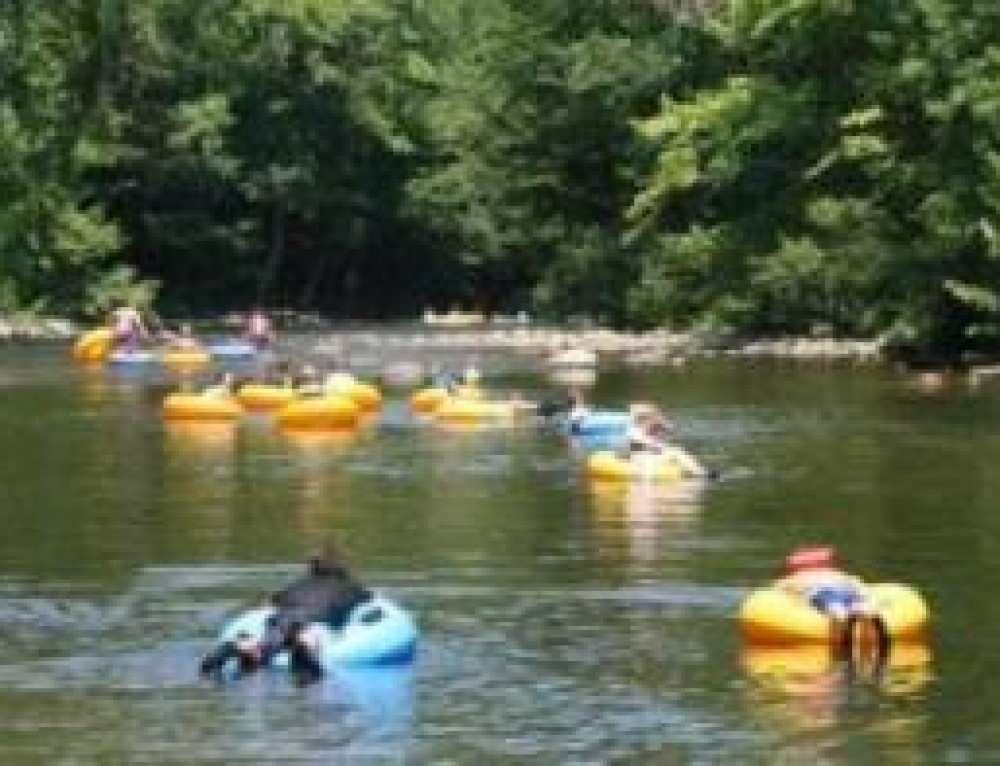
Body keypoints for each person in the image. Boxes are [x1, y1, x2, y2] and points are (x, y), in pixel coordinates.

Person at [199, 551, 373, 682]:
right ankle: (300, 646)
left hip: (282, 619)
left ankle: (239, 647)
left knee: (265, 647)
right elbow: (368, 599)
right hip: (314, 623)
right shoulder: (350, 588)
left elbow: (273, 601)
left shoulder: (299, 585)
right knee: (310, 649)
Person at [775, 545, 873, 623]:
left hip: (821, 591)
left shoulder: (791, 579)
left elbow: (779, 591)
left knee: (831, 602)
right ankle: (859, 608)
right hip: (842, 589)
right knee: (852, 600)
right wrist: (863, 596)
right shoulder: (839, 574)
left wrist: (798, 600)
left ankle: (844, 612)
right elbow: (856, 583)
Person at [625, 402, 710, 478]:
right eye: (649, 418)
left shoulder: (653, 428)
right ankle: (700, 473)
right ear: (641, 419)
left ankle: (698, 472)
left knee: (676, 450)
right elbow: (649, 444)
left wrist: (660, 420)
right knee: (676, 451)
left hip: (653, 459)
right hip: (641, 460)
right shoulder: (634, 431)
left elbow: (670, 428)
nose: (651, 421)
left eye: (652, 418)